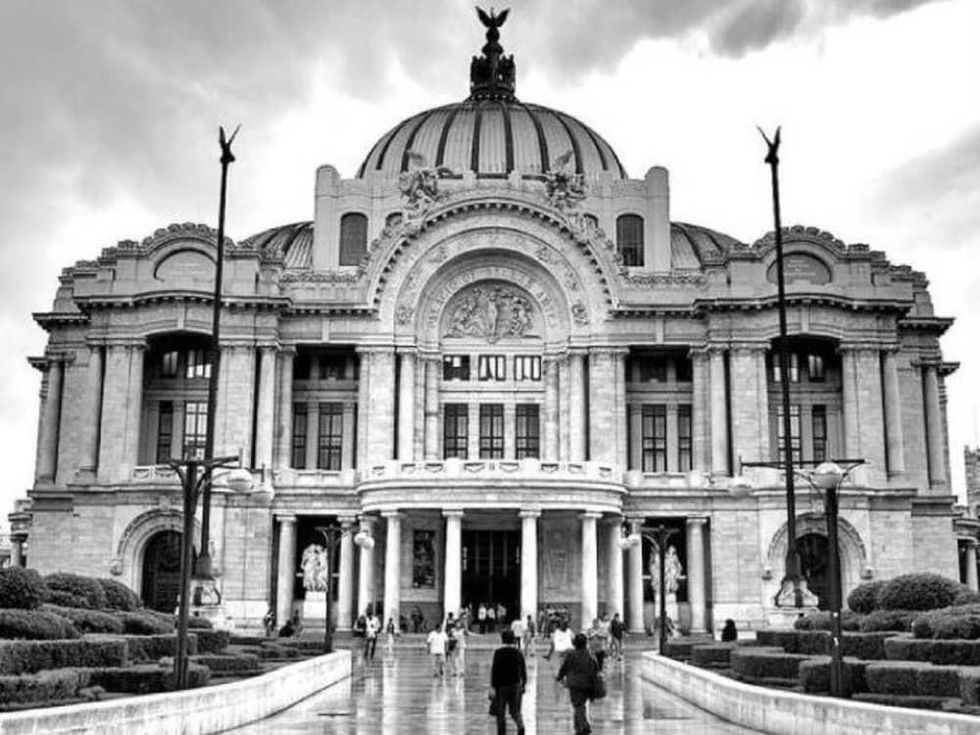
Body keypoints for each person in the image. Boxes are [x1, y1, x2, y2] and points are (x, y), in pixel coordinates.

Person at [556, 632, 600, 735]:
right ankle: (577, 726)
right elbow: (595, 669)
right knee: (581, 705)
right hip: (587, 684)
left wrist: (559, 677)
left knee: (578, 705)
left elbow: (564, 667)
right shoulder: (590, 655)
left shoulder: (571, 655)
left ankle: (584, 726)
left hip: (575, 684)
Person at [490, 630, 527, 735]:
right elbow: (523, 670)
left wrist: (492, 686)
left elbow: (495, 670)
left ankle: (501, 733)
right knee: (515, 710)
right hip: (515, 685)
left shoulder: (498, 653)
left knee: (500, 712)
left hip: (501, 686)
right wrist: (524, 683)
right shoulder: (518, 652)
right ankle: (521, 726)